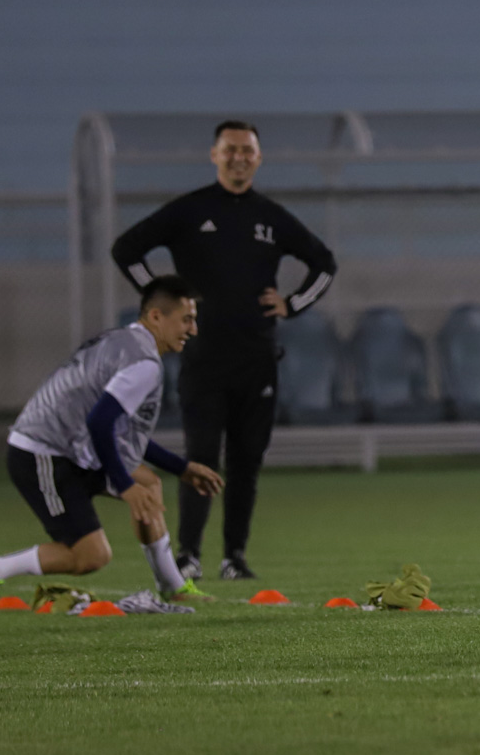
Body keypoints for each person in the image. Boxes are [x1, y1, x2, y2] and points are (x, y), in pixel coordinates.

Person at [111, 120, 337, 580]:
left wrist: (292, 305)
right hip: (203, 361)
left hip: (257, 360)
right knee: (200, 458)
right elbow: (126, 248)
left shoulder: (271, 218)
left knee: (246, 463)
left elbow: (325, 265)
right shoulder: (191, 210)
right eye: (230, 149)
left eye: (248, 151)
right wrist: (162, 299)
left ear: (259, 158)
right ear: (214, 155)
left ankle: (234, 556)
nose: (239, 157)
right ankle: (189, 555)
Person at [0, 276, 223, 609]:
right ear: (156, 316)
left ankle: (172, 587)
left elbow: (119, 431)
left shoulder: (120, 340)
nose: (194, 329)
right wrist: (123, 484)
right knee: (91, 556)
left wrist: (181, 467)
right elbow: (100, 423)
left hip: (70, 449)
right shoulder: (144, 364)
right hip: (43, 453)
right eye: (187, 319)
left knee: (148, 483)